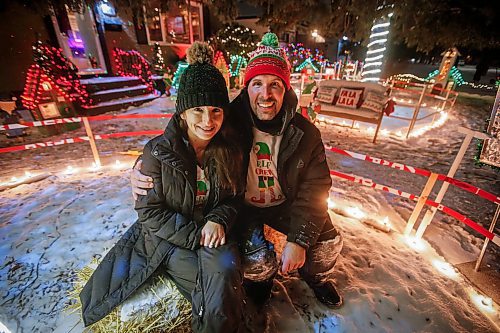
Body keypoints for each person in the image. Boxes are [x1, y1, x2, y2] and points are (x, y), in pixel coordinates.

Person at [132, 33, 344, 309]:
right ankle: (260, 282)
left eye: (275, 85)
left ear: (286, 90)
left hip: (286, 204)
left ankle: (316, 278)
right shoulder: (226, 120)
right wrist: (139, 166)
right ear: (247, 88)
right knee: (257, 260)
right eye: (257, 84)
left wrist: (299, 240)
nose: (265, 95)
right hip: (242, 206)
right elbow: (181, 139)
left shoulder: (304, 133)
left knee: (328, 244)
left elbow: (315, 188)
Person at [80, 42, 246, 332]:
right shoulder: (157, 152)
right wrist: (198, 235)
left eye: (216, 110)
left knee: (227, 272)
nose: (208, 121)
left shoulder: (229, 150)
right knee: (210, 285)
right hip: (168, 240)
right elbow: (150, 213)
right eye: (198, 110)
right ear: (182, 112)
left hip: (211, 230)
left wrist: (219, 219)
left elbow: (234, 198)